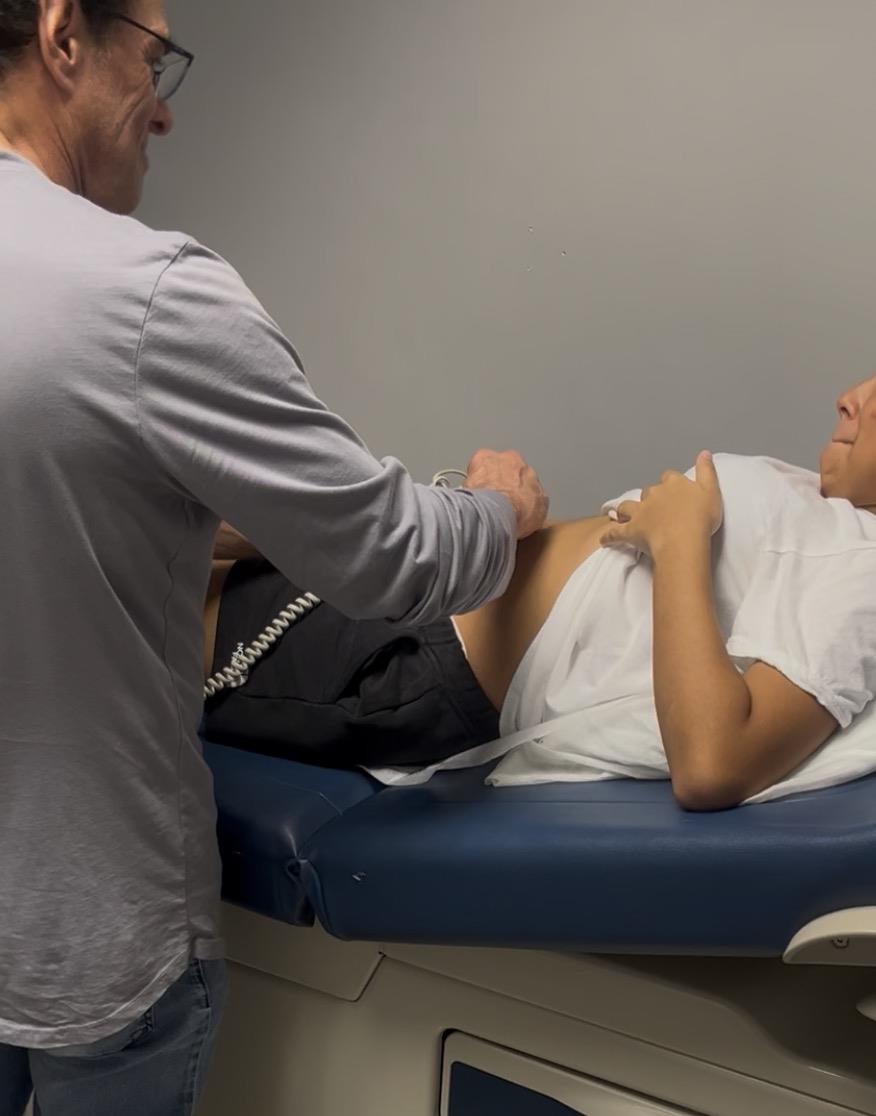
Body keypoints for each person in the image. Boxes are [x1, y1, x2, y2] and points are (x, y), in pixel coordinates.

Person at [0, 2, 548, 1114]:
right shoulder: (141, 294)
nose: (160, 112)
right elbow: (393, 560)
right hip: (94, 947)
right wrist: (498, 511)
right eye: (154, 61)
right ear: (63, 35)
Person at [202, 375, 876, 813]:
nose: (850, 395)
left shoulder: (865, 572)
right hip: (435, 583)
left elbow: (713, 766)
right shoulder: (820, 510)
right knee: (169, 533)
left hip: (411, 654)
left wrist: (679, 542)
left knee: (140, 601)